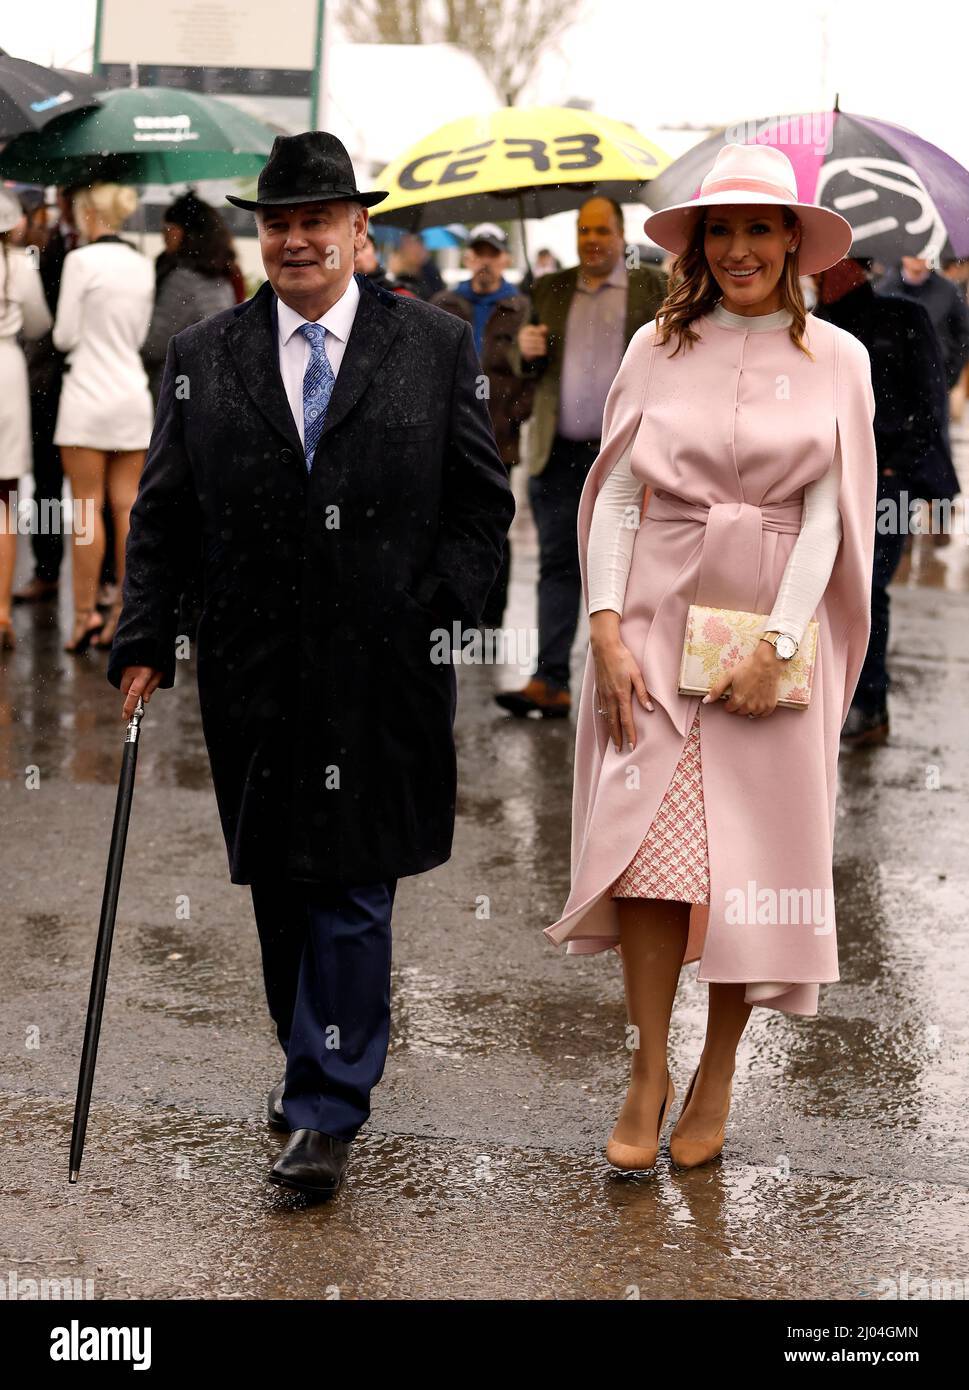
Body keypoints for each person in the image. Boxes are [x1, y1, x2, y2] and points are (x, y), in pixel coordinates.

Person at [105, 131, 514, 1200]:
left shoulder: (433, 345)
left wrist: (441, 611)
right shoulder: (205, 356)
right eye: (278, 221)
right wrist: (144, 634)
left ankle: (329, 1104)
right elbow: (164, 513)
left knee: (351, 884)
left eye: (316, 219)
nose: (296, 238)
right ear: (261, 232)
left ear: (357, 230)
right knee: (281, 886)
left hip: (382, 675)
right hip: (257, 672)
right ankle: (307, 1059)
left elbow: (482, 504)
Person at [543, 144, 877, 1173]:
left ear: (792, 240)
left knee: (752, 864)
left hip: (773, 626)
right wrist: (603, 625)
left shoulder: (840, 359)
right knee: (649, 858)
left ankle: (717, 1070)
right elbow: (623, 493)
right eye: (719, 229)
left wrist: (779, 642)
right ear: (696, 243)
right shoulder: (656, 344)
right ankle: (647, 1069)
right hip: (652, 605)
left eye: (759, 228)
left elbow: (830, 516)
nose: (739, 248)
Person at [495, 196, 666, 717]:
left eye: (601, 230)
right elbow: (520, 369)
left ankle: (637, 683)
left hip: (627, 457)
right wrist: (521, 351)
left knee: (632, 569)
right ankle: (550, 681)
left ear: (620, 234)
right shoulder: (548, 288)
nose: (592, 239)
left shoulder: (651, 287)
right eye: (583, 230)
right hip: (559, 453)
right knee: (557, 565)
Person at [814, 256, 954, 747]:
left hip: (886, 485)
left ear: (857, 266)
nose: (818, 273)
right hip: (824, 478)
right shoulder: (812, 324)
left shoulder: (902, 315)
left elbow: (930, 399)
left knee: (868, 588)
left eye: (832, 264)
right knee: (821, 589)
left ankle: (869, 706)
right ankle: (836, 703)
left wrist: (899, 466)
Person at [53, 183, 155, 653]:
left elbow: (63, 335)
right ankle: (121, 616)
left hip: (86, 395)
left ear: (88, 213)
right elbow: (138, 333)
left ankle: (83, 617)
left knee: (85, 509)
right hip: (131, 394)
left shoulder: (79, 261)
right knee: (128, 509)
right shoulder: (142, 264)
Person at [431, 223, 533, 625]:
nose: (485, 261)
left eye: (493, 253)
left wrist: (513, 416)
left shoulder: (522, 308)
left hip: (497, 440)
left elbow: (532, 375)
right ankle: (450, 612)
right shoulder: (444, 303)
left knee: (492, 528)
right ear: (469, 257)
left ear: (504, 259)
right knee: (445, 524)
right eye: (479, 253)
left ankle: (491, 617)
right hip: (447, 437)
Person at [13, 187, 78, 606]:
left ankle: (107, 582)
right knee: (46, 482)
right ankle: (47, 569)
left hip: (77, 379)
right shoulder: (44, 248)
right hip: (43, 383)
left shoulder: (84, 248)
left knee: (95, 490)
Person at [0, 189, 53, 649]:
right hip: (8, 377)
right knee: (4, 501)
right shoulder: (18, 265)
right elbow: (38, 325)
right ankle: (1, 613)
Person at [142, 192, 238, 403]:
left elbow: (154, 345)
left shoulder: (183, 280)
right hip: (210, 389)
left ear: (179, 232)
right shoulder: (222, 280)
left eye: (166, 230)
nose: (163, 237)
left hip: (176, 392)